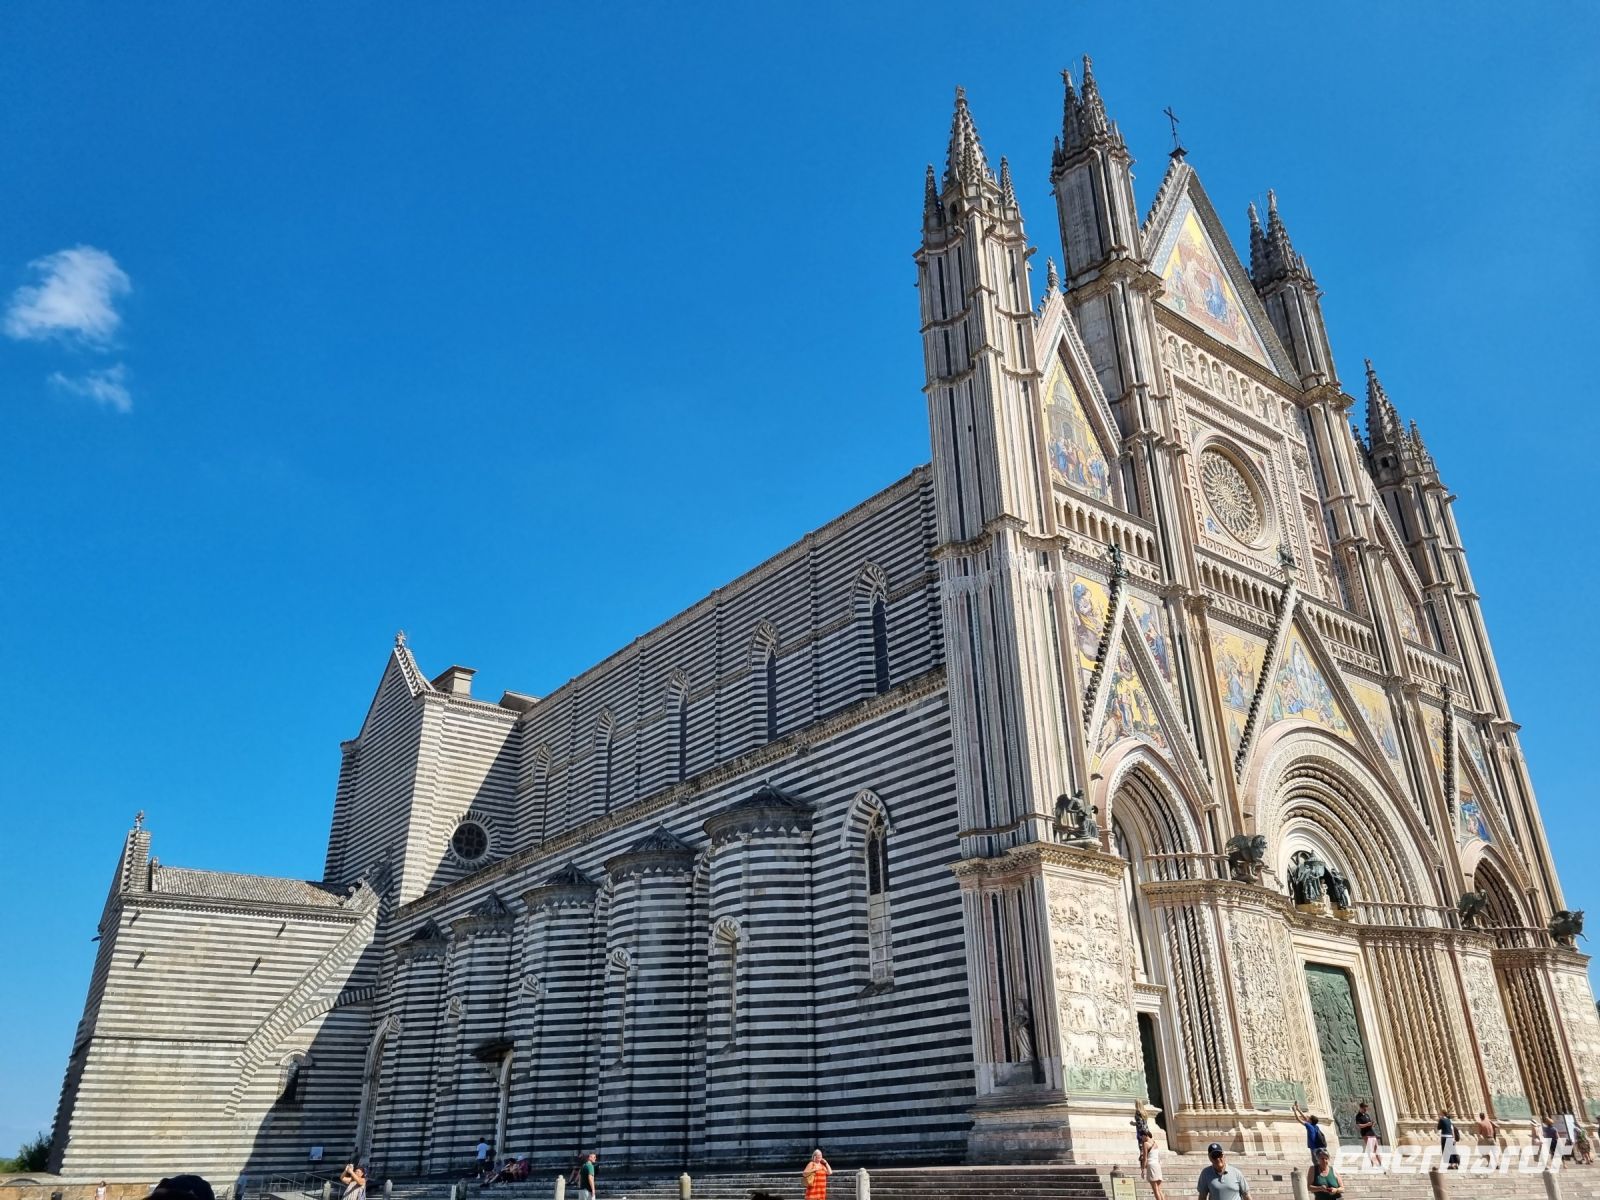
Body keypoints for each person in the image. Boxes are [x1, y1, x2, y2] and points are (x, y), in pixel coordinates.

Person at [1291, 1102, 1328, 1173]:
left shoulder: (1309, 1126)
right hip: (1320, 1147)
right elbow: (1305, 1118)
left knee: (1316, 1162)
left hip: (1314, 1148)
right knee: (1321, 1161)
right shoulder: (1315, 1126)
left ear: (1310, 1120)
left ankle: (1319, 1174)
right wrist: (1298, 1109)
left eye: (1309, 1118)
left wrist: (1294, 1111)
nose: (1307, 1117)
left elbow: (1298, 1119)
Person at [1140, 1130, 1166, 1200]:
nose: (1141, 1138)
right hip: (1157, 1165)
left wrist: (1142, 1170)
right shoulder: (1155, 1143)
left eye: (1142, 1136)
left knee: (1155, 1189)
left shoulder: (1146, 1144)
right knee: (1159, 1189)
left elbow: (1145, 1158)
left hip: (1151, 1166)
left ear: (1145, 1135)